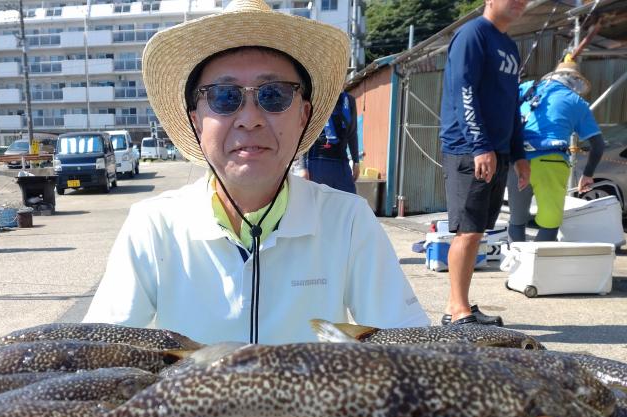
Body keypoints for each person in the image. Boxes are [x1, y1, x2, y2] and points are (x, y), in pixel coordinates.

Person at [83, 0, 429, 344]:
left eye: (274, 95)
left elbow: (413, 349)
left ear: (304, 115)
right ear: (195, 121)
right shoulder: (153, 225)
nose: (250, 118)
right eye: (223, 96)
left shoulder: (348, 221)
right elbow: (95, 353)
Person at [438, 0, 531, 327]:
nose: (521, 2)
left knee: (477, 231)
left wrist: (519, 153)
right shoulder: (472, 35)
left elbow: (511, 105)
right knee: (468, 230)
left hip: (498, 152)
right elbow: (465, 91)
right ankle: (459, 311)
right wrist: (480, 145)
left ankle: (457, 306)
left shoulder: (508, 45)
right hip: (469, 149)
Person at [506, 57, 604, 243]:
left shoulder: (528, 88)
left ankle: (516, 266)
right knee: (550, 222)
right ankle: (539, 266)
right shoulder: (576, 101)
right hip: (551, 161)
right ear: (577, 82)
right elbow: (598, 144)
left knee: (516, 219)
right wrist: (588, 174)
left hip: (517, 158)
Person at [301, 90, 361, 193]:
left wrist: (356, 161)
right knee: (318, 204)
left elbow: (352, 133)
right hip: (317, 162)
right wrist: (303, 167)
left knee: (348, 202)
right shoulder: (315, 99)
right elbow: (305, 132)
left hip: (341, 163)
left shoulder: (349, 100)